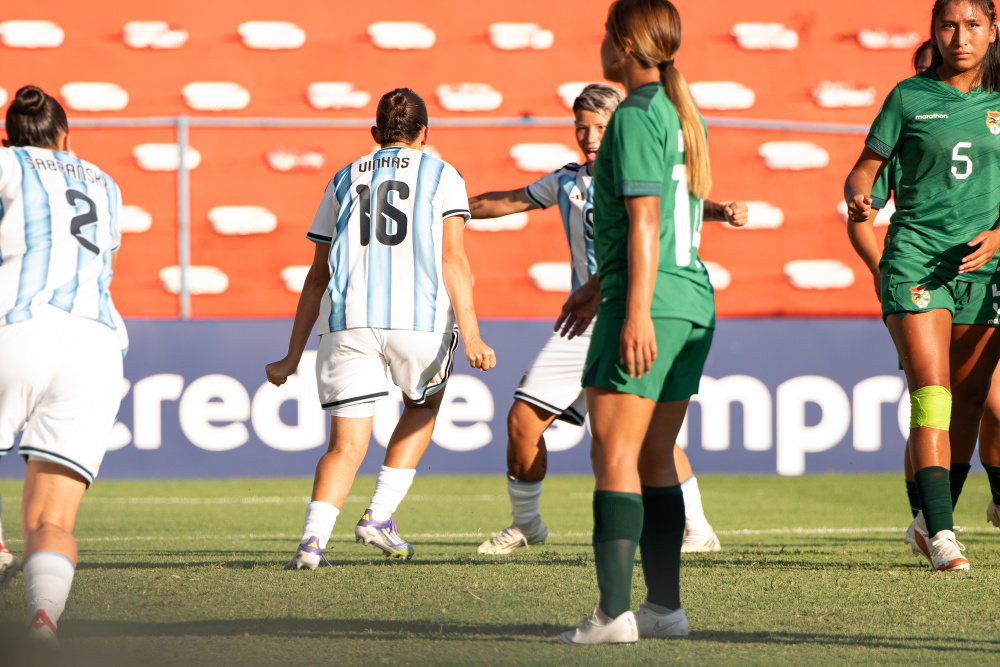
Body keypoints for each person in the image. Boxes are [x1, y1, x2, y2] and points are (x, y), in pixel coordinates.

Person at [470, 83, 740, 556]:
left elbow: (683, 208)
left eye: (600, 127)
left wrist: (724, 210)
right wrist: (450, 209)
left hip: (626, 312)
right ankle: (527, 524)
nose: (590, 137)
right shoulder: (566, 182)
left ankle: (697, 527)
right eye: (582, 127)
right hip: (582, 323)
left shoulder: (639, 175)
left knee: (644, 433)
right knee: (521, 423)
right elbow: (508, 200)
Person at [558, 0, 747, 645]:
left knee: (614, 454)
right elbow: (670, 217)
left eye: (606, 34)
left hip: (652, 302)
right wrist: (598, 285)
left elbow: (644, 220)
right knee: (655, 455)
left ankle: (612, 615)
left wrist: (632, 309)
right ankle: (664, 608)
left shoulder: (636, 114)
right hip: (691, 299)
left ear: (623, 44)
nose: (601, 44)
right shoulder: (678, 111)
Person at [266, 88, 495, 567]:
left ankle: (311, 544)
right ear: (425, 134)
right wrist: (472, 336)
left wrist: (291, 356)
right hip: (419, 321)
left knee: (345, 445)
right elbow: (453, 258)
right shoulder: (443, 174)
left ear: (375, 133)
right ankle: (379, 514)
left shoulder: (344, 176)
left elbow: (317, 276)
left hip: (348, 321)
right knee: (424, 405)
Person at [845, 0, 1000, 572]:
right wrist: (857, 195)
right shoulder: (908, 97)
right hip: (916, 260)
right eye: (948, 26)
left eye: (973, 25)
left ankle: (927, 519)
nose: (960, 37)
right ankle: (941, 535)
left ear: (992, 30)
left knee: (970, 404)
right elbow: (864, 172)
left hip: (983, 272)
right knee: (933, 393)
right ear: (934, 31)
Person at [0, 85, 128, 646]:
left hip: (18, 323)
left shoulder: (7, 165)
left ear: (10, 137)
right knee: (52, 520)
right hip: (95, 344)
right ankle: (43, 620)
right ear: (66, 137)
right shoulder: (106, 183)